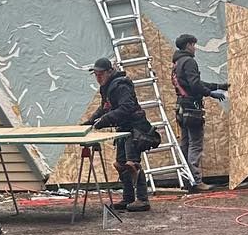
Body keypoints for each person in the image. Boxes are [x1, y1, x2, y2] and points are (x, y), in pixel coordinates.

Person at [87, 57, 159, 211]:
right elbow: (105, 108)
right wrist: (89, 122)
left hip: (134, 127)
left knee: (132, 164)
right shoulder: (106, 87)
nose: (98, 78)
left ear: (109, 72)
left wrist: (105, 120)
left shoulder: (121, 85)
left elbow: (127, 107)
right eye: (96, 75)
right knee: (121, 164)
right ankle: (128, 198)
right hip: (123, 128)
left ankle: (142, 200)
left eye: (100, 74)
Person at [170, 34, 228, 192]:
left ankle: (187, 179)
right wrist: (211, 93)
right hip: (191, 108)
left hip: (182, 107)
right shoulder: (189, 61)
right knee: (195, 145)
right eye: (193, 45)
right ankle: (196, 181)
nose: (195, 48)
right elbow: (195, 85)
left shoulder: (177, 63)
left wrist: (217, 86)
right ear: (188, 45)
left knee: (186, 144)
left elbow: (192, 82)